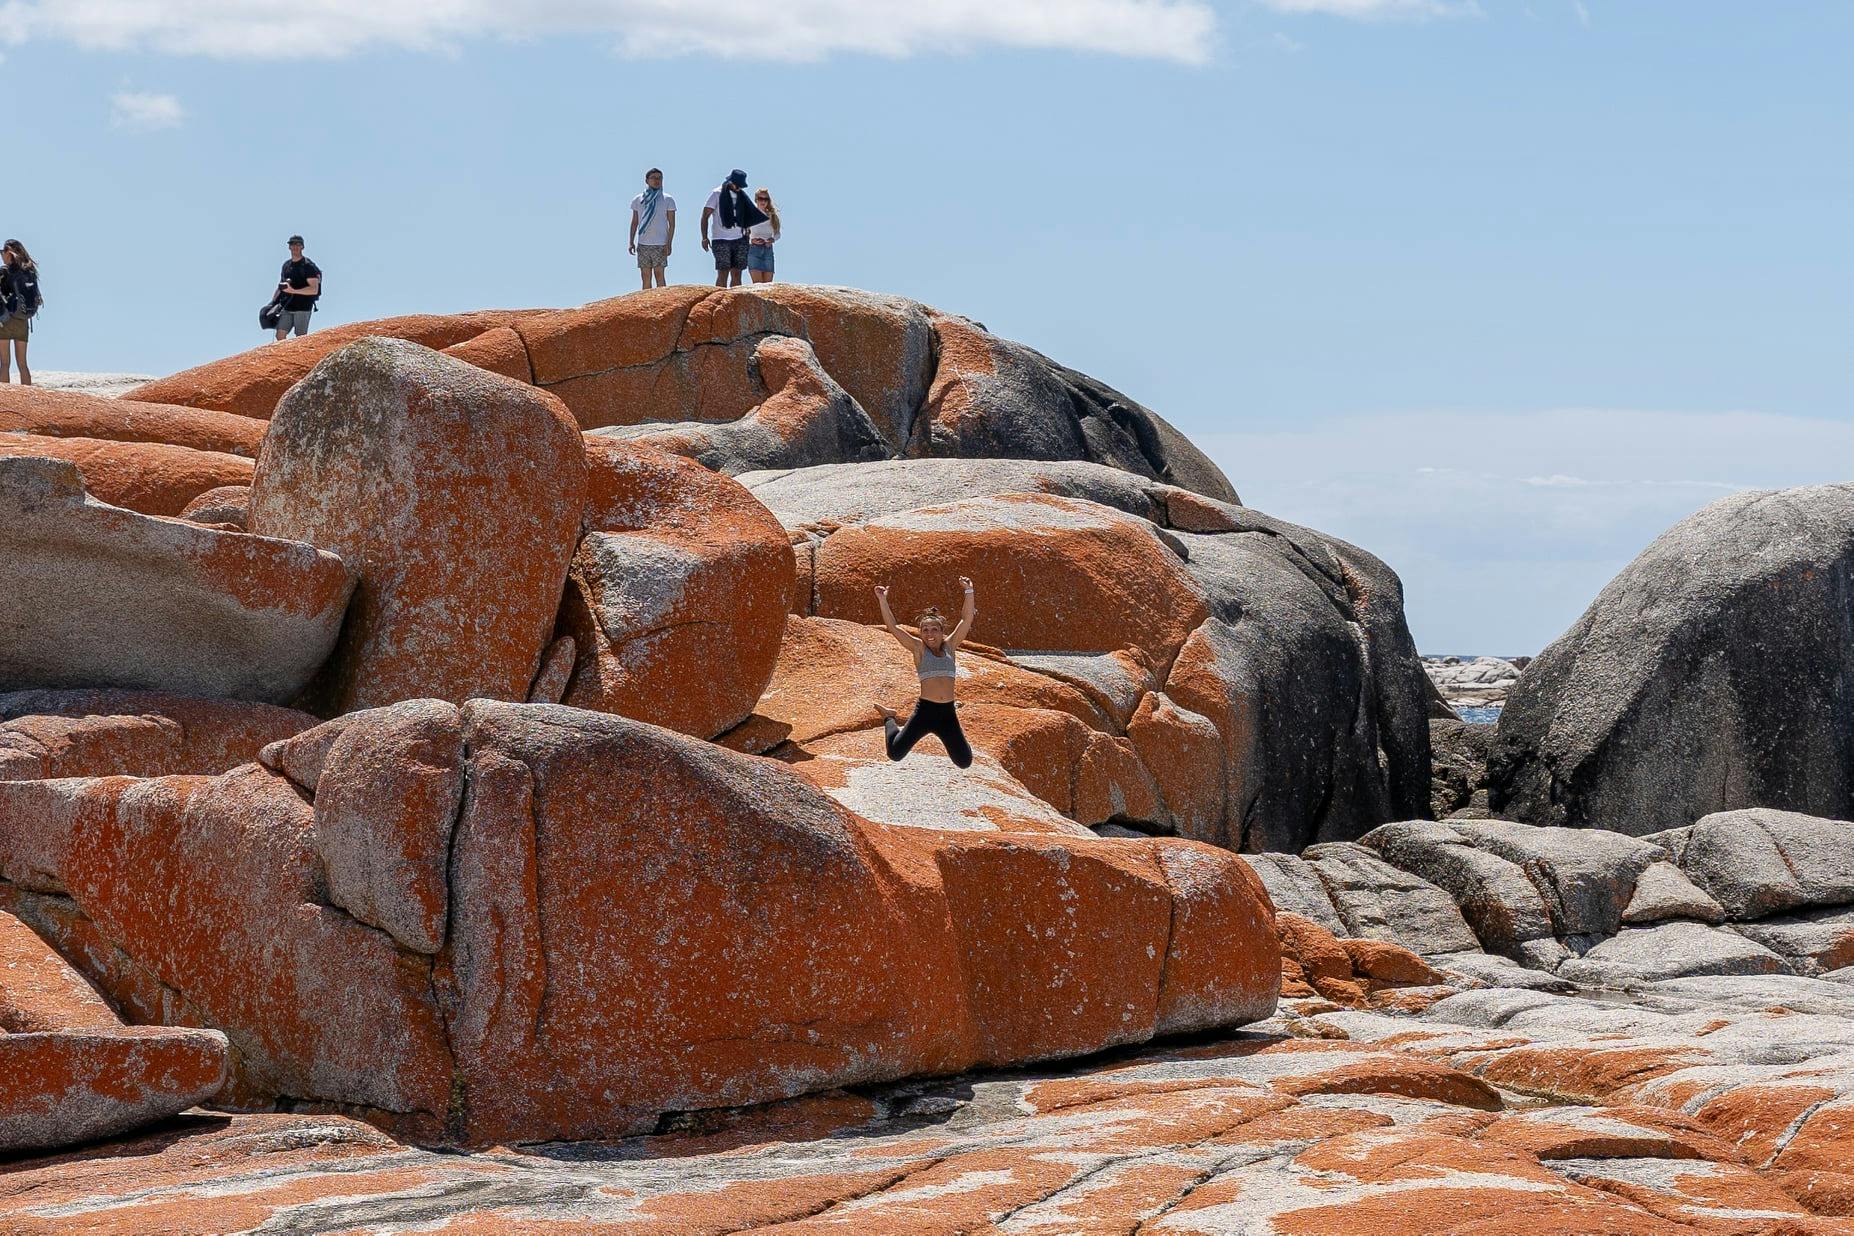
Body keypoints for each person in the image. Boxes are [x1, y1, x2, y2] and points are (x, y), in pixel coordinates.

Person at [873, 577, 977, 769]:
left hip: (947, 714)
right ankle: (889, 717)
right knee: (895, 753)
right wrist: (882, 600)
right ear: (920, 633)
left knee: (964, 762)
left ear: (941, 632)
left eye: (935, 629)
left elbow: (966, 619)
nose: (930, 634)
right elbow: (893, 627)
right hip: (925, 712)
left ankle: (959, 740)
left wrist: (969, 591)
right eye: (925, 630)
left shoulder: (950, 647)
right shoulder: (919, 650)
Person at [701, 169, 765, 289]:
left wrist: (747, 229)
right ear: (730, 182)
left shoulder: (742, 196)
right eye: (737, 185)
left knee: (737, 274)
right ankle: (719, 301)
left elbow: (748, 214)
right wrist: (704, 237)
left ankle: (734, 303)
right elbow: (705, 215)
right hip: (720, 239)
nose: (738, 188)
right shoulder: (717, 193)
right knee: (723, 273)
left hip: (740, 239)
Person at [627, 168, 676, 291]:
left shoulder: (667, 199)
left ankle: (662, 303)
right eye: (653, 178)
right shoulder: (639, 199)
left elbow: (672, 224)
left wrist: (669, 243)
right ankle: (647, 305)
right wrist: (631, 241)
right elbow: (634, 222)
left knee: (659, 274)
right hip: (644, 243)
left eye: (659, 178)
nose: (657, 181)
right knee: (645, 276)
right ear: (647, 181)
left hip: (660, 243)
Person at [0, 240, 41, 385]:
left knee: (5, 363)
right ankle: (28, 399)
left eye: (2, 252)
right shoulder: (28, 271)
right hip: (23, 320)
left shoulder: (5, 271)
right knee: (23, 364)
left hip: (5, 321)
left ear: (8, 253)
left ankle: (4, 399)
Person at [275, 235, 321, 341]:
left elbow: (314, 289)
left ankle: (299, 357)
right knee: (280, 335)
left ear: (302, 247)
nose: (295, 246)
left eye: (298, 244)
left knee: (300, 338)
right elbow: (281, 285)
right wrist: (273, 303)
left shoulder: (308, 266)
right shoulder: (286, 265)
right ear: (289, 247)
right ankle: (284, 356)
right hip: (287, 307)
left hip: (303, 308)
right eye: (292, 244)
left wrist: (294, 291)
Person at [746, 187, 781, 284]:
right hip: (754, 250)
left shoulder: (772, 215)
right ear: (756, 200)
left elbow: (777, 233)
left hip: (768, 250)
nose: (763, 201)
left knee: (767, 285)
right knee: (758, 285)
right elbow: (742, 233)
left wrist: (772, 239)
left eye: (766, 199)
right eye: (761, 199)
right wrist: (751, 240)